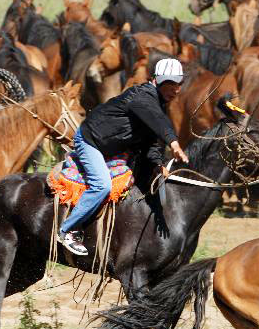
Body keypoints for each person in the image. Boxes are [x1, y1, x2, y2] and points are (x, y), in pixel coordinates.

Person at [58, 58, 189, 256]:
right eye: (171, 84)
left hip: (112, 145)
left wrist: (157, 163)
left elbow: (151, 141)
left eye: (179, 84)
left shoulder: (157, 103)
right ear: (159, 81)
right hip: (90, 141)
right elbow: (158, 120)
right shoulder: (142, 95)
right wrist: (173, 141)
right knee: (102, 185)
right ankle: (68, 230)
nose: (177, 89)